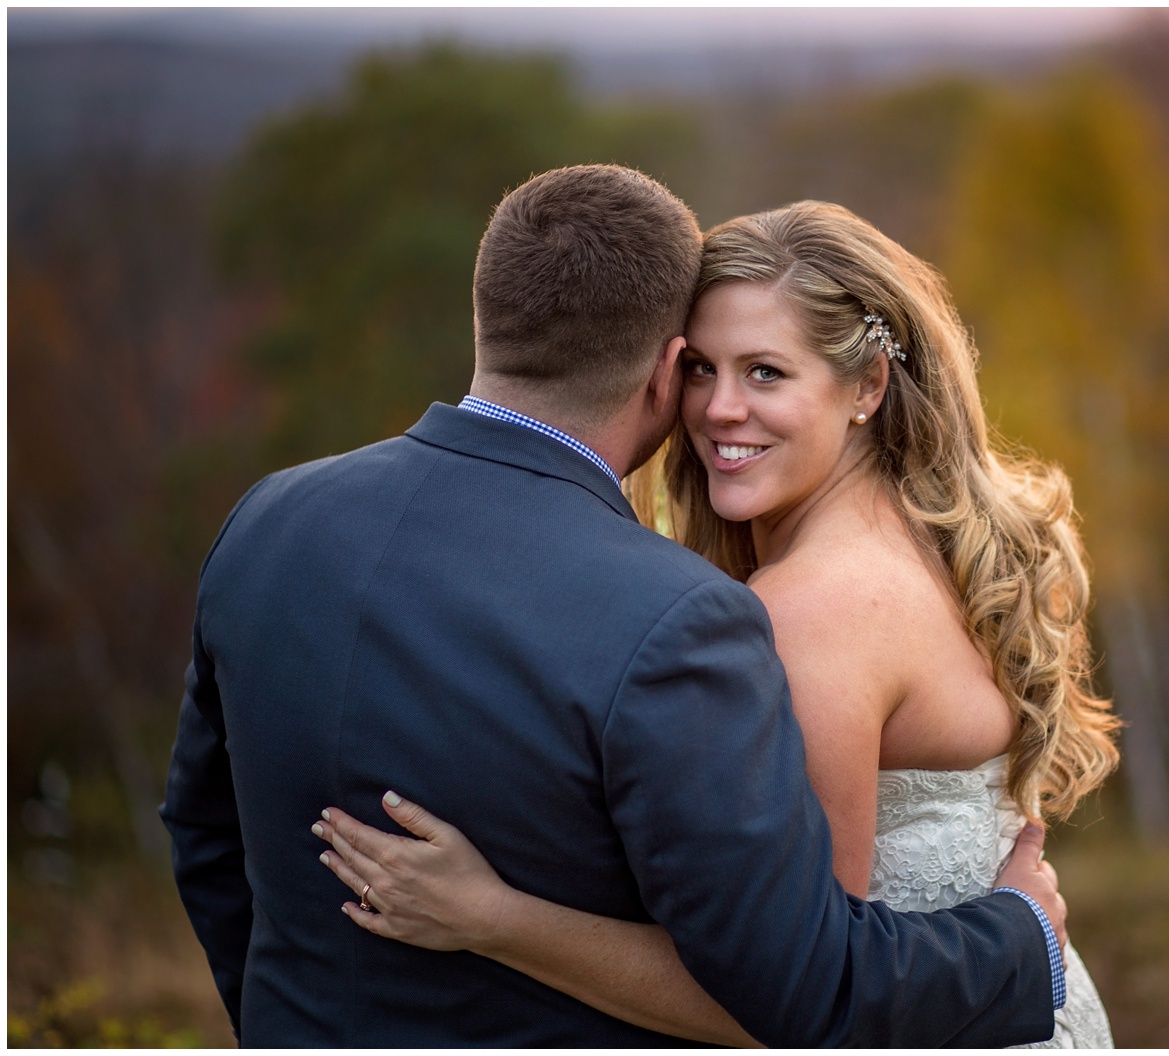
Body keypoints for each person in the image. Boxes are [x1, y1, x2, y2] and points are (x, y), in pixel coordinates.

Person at [160, 166, 1069, 1047]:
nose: (718, 409)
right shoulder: (692, 609)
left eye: (763, 372)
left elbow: (205, 836)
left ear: (487, 315)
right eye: (709, 370)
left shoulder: (266, 521)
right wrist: (1024, 941)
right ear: (666, 370)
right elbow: (802, 986)